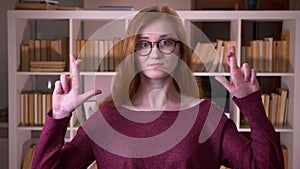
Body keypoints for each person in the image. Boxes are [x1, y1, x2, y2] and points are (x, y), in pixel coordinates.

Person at [32, 5, 284, 169]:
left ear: (180, 51)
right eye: (143, 44)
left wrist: (252, 105)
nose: (154, 52)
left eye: (165, 42)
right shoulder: (106, 120)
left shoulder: (207, 117)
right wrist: (59, 117)